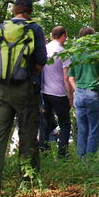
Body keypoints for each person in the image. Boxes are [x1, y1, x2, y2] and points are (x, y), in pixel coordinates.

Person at [0, 0, 46, 197]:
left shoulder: (0, 28)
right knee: (27, 136)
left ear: (14, 10)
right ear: (30, 11)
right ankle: (26, 183)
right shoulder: (34, 29)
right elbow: (42, 59)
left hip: (0, 89)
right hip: (25, 89)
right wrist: (30, 73)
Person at [68, 26, 99, 158]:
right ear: (92, 37)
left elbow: (70, 78)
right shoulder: (98, 53)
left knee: (82, 131)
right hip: (92, 94)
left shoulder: (75, 54)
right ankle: (89, 162)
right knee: (94, 131)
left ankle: (81, 160)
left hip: (79, 95)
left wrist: (77, 91)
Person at [40, 26, 71, 157]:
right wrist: (70, 95)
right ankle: (62, 154)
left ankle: (44, 150)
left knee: (46, 122)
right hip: (59, 92)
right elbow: (66, 76)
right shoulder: (63, 52)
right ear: (63, 35)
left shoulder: (44, 49)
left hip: (45, 91)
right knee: (65, 123)